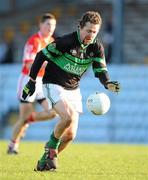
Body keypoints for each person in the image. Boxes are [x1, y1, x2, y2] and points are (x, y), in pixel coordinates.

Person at [22, 11, 120, 171]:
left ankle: (44, 161)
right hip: (52, 83)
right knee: (68, 117)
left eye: (94, 32)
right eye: (88, 31)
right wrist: (32, 82)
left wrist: (107, 83)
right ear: (80, 27)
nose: (91, 35)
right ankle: (50, 147)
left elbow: (101, 71)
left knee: (70, 135)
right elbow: (41, 56)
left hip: (73, 89)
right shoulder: (66, 41)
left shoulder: (96, 47)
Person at [7, 13, 57, 154]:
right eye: (48, 24)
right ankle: (12, 146)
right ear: (40, 25)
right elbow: (29, 65)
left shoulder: (52, 41)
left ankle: (28, 119)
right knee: (22, 118)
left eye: (53, 25)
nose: (50, 27)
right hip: (28, 81)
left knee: (54, 112)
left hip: (42, 83)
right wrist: (48, 66)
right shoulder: (33, 41)